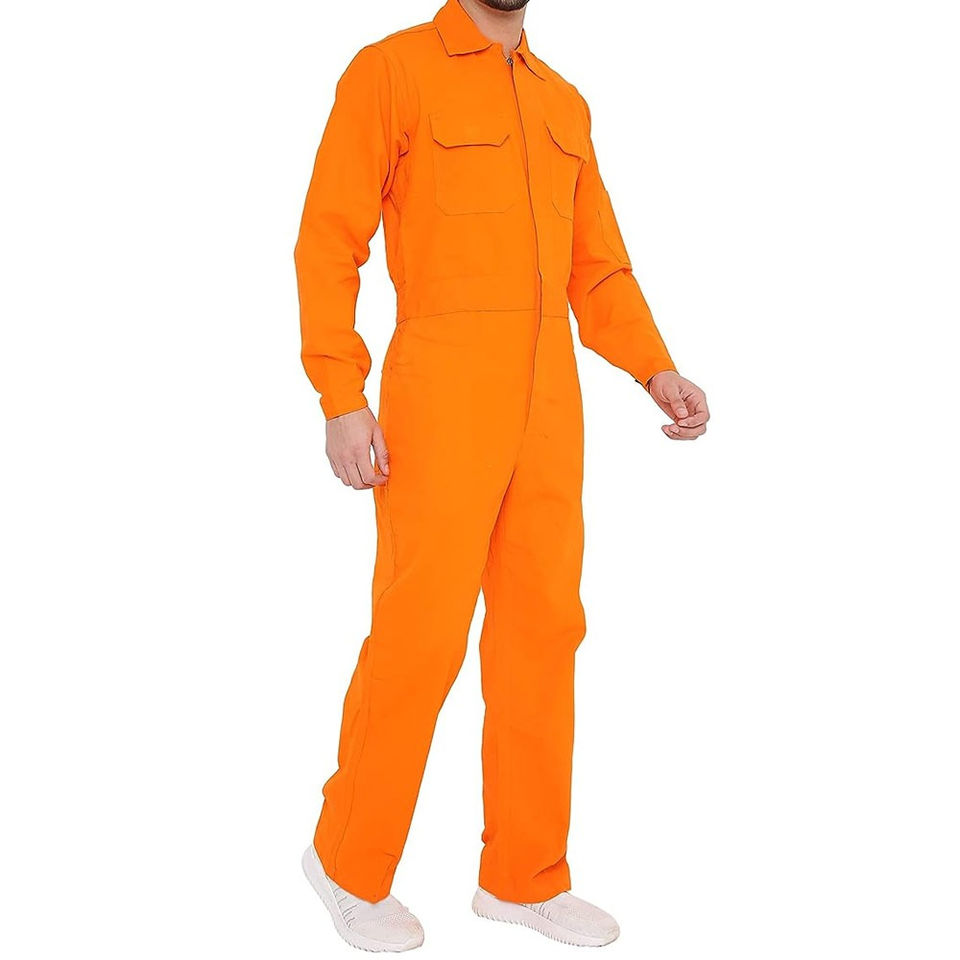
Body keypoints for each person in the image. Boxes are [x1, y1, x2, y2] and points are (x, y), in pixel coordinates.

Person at [294, 0, 709, 950]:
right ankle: (347, 860)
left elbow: (597, 268)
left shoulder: (563, 102)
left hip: (549, 402)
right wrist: (340, 393)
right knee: (421, 633)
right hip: (442, 393)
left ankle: (523, 876)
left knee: (543, 635)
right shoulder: (392, 70)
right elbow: (329, 236)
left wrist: (656, 368)